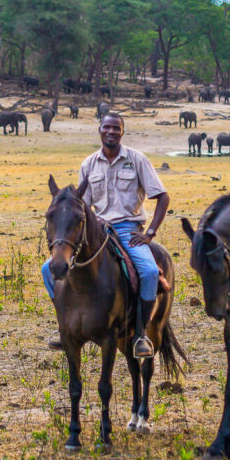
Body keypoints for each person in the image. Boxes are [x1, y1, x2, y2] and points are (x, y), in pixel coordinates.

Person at [44, 113, 170, 358]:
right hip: (97, 229)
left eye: (116, 128)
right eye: (107, 127)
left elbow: (162, 197)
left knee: (150, 271)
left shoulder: (136, 160)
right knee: (46, 270)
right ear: (99, 130)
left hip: (128, 229)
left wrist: (150, 233)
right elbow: (83, 207)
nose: (111, 132)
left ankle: (141, 333)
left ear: (122, 132)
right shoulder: (88, 164)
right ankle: (64, 326)